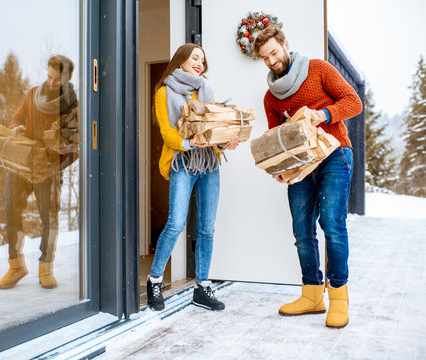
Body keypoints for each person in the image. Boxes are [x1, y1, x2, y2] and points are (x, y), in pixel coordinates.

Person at [253, 26, 363, 328]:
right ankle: (312, 294)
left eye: (274, 52)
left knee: (332, 223)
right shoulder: (270, 97)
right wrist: (279, 167)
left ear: (286, 45)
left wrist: (322, 115)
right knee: (302, 230)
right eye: (265, 58)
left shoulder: (318, 69)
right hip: (301, 167)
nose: (272, 61)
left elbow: (354, 102)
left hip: (335, 155)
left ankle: (339, 296)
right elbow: (277, 138)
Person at [147, 43, 239, 311]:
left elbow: (212, 130)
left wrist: (224, 143)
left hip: (209, 163)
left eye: (203, 59)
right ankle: (154, 280)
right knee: (176, 223)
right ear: (180, 61)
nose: (200, 62)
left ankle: (202, 287)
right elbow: (167, 132)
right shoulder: (164, 92)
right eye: (195, 57)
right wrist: (190, 144)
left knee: (207, 228)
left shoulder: (205, 89)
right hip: (183, 161)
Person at [0, 55, 78, 290]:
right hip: (21, 165)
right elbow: (17, 118)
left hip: (49, 170)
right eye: (49, 77)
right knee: (10, 210)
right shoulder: (33, 94)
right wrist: (17, 128)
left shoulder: (73, 106)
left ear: (67, 78)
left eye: (57, 80)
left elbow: (78, 147)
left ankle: (46, 268)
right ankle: (16, 265)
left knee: (49, 219)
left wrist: (59, 162)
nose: (52, 83)